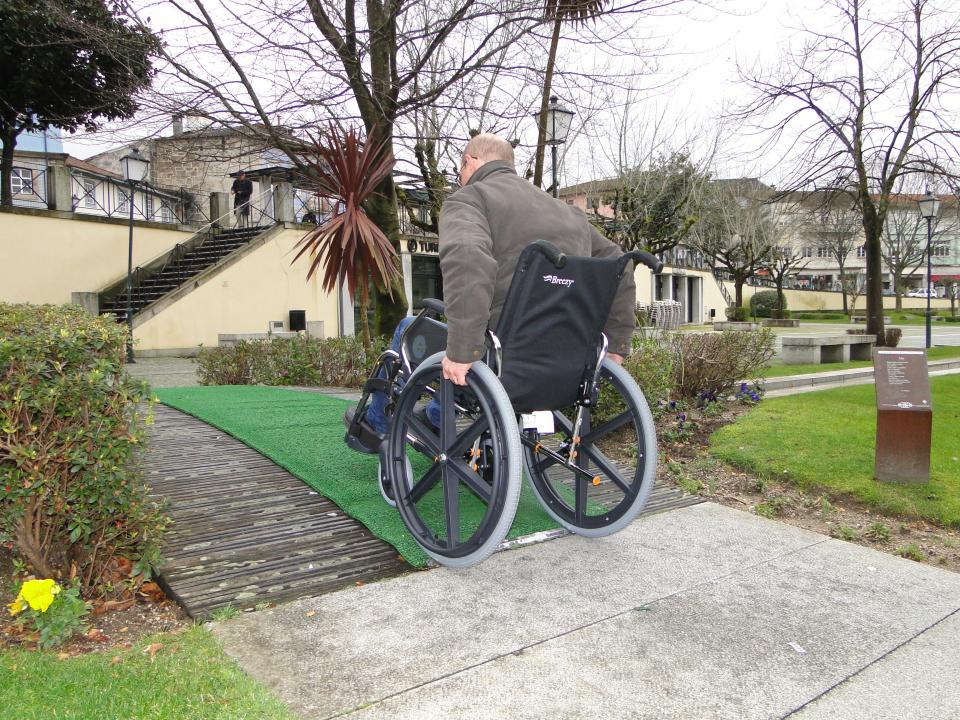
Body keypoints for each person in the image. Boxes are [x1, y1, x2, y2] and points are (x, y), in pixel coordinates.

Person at [346, 133, 636, 450]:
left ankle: (375, 426)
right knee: (460, 336)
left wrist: (462, 350)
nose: (460, 179)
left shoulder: (472, 199)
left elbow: (469, 262)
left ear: (470, 162)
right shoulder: (570, 215)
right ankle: (436, 416)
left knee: (408, 329)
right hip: (565, 359)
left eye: (460, 171)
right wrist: (617, 342)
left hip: (502, 355)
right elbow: (620, 264)